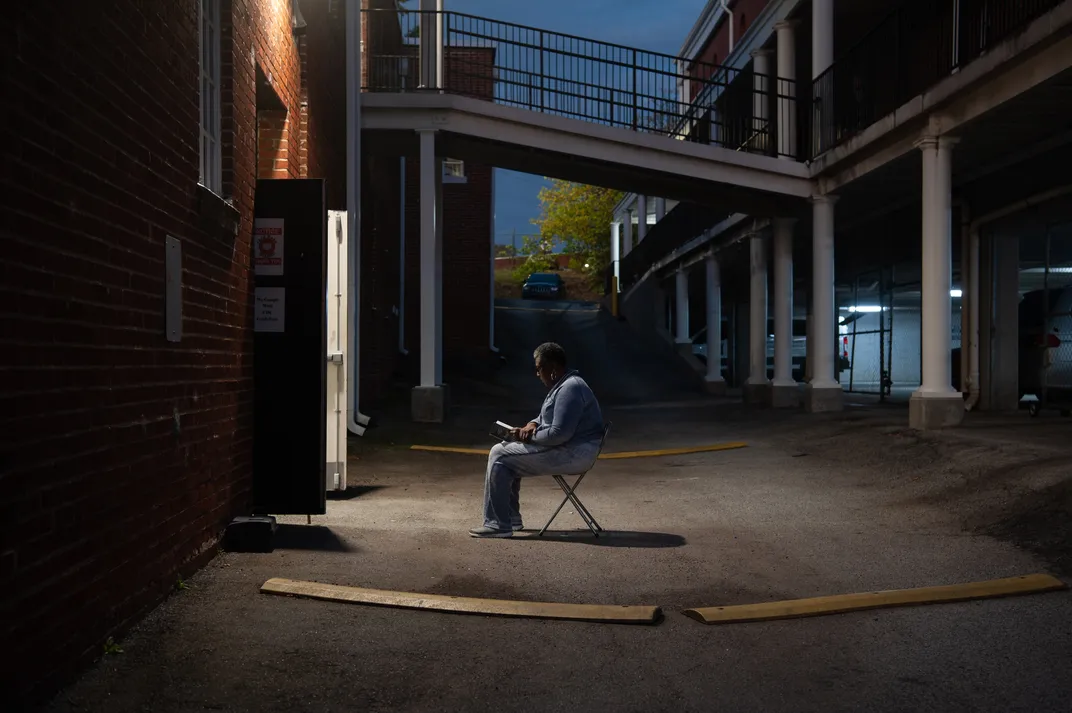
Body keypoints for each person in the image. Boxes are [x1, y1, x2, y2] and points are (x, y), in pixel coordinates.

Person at [469, 342, 605, 538]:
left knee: (499, 454)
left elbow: (559, 434)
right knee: (507, 452)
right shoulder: (564, 385)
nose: (537, 374)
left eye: (539, 368)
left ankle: (498, 525)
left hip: (574, 452)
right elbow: (546, 418)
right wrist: (532, 424)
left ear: (552, 369)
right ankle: (510, 518)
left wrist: (529, 438)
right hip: (572, 448)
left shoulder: (570, 389)